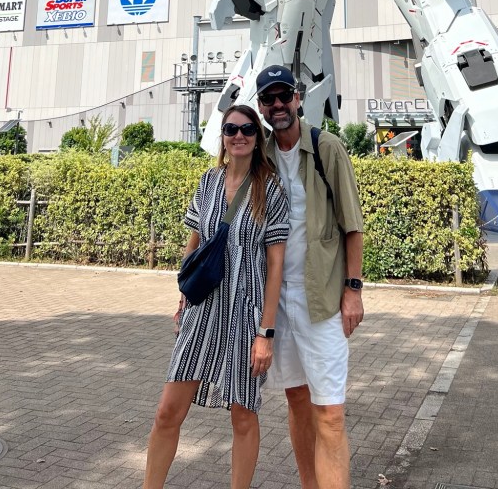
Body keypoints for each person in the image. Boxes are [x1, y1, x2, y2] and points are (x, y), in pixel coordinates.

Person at [142, 103, 289, 489]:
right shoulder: (208, 181)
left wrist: (266, 333)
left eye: (247, 129)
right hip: (203, 309)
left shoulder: (270, 189)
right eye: (231, 129)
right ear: (222, 137)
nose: (239, 136)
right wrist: (183, 295)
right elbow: (194, 244)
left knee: (243, 415)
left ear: (258, 138)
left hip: (246, 314)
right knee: (167, 411)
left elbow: (276, 267)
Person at [255, 66, 365, 489]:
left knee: (330, 413)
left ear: (298, 98)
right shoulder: (260, 156)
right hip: (277, 304)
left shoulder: (326, 148)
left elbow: (352, 224)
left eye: (284, 96)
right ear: (262, 106)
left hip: (322, 301)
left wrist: (353, 290)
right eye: (269, 99)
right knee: (297, 399)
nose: (278, 105)